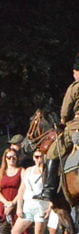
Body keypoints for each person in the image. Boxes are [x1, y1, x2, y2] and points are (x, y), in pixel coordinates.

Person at [36, 53, 79, 201]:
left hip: (76, 128)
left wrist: (62, 121)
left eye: (74, 72)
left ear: (77, 72)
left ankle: (49, 189)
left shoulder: (75, 87)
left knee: (52, 152)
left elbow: (65, 111)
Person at [14, 150, 47, 234]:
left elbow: (51, 191)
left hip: (41, 206)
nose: (39, 159)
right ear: (33, 157)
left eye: (41, 157)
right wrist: (19, 207)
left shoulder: (47, 172)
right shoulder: (28, 170)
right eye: (37, 157)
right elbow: (21, 189)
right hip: (28, 204)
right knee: (15, 231)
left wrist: (50, 207)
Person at [0, 149, 22, 228]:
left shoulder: (21, 171)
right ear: (5, 159)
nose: (11, 159)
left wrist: (13, 203)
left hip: (17, 203)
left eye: (14, 157)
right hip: (3, 204)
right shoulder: (0, 172)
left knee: (18, 231)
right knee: (1, 229)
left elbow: (23, 189)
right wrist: (6, 203)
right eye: (9, 157)